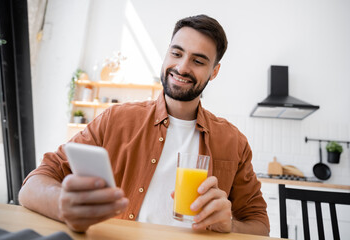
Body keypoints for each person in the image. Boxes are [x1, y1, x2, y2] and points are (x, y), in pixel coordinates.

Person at [19, 14, 269, 235]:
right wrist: (64, 204)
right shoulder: (116, 120)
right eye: (177, 53)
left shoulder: (233, 141)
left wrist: (231, 226)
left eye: (198, 61)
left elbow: (260, 225)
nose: (182, 67)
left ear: (214, 71)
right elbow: (34, 184)